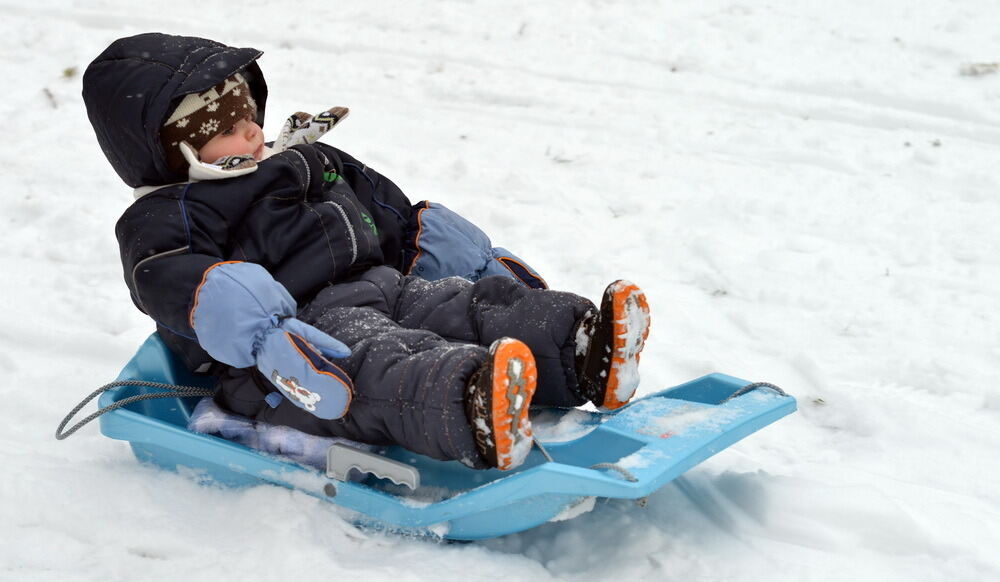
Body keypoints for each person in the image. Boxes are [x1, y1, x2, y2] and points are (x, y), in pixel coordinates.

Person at [82, 33, 650, 471]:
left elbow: (394, 217)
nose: (252, 131)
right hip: (300, 345)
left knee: (467, 304)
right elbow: (182, 283)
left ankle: (580, 348)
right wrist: (267, 335)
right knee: (385, 362)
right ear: (173, 149)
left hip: (385, 285)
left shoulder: (301, 159)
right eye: (226, 127)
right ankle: (473, 403)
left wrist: (478, 265)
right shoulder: (166, 217)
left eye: (249, 112)